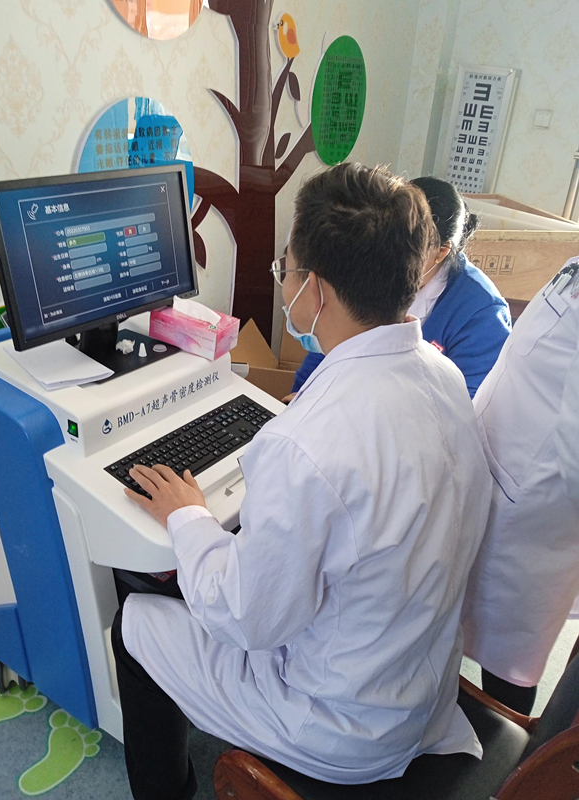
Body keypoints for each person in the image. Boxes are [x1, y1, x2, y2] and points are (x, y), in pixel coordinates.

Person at [112, 162, 492, 799]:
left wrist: (187, 516)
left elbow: (246, 618)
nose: (283, 281)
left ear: (313, 290)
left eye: (284, 268)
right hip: (418, 688)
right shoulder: (445, 378)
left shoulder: (304, 446)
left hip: (339, 727)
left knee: (135, 620)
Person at [462, 257, 579, 714]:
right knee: (466, 623)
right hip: (501, 472)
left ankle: (499, 740)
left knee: (505, 660)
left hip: (529, 515)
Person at [288, 176, 511, 401]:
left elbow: (469, 405)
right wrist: (301, 397)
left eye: (413, 245)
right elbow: (334, 336)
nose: (393, 253)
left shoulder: (481, 313)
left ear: (441, 251)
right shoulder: (377, 261)